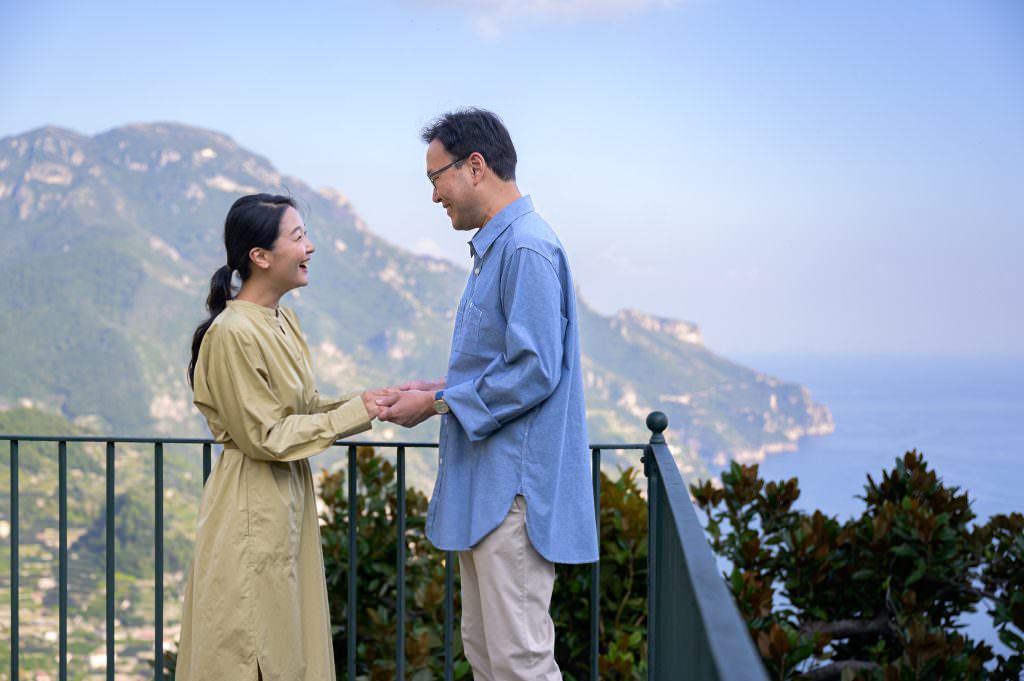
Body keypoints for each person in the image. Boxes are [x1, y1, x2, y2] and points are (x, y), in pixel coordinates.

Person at [378, 108, 598, 680]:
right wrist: (437, 387)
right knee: (486, 655)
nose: (433, 195)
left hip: (512, 496)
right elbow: (504, 364)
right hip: (491, 495)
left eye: (436, 178)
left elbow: (533, 370)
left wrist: (437, 403)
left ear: (475, 166)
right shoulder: (501, 248)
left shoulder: (525, 249)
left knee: (520, 663)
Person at [177, 194, 389, 681]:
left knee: (286, 639)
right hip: (251, 504)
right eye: (298, 237)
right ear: (260, 256)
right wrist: (356, 413)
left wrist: (373, 402)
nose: (309, 247)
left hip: (285, 500)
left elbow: (302, 406)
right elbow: (265, 436)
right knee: (252, 642)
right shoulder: (232, 333)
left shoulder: (282, 320)